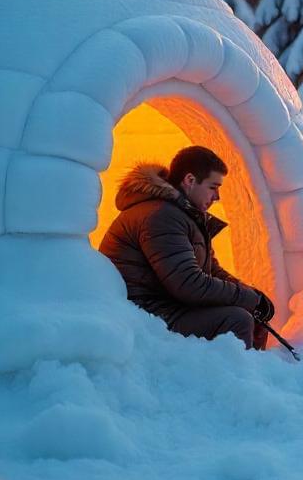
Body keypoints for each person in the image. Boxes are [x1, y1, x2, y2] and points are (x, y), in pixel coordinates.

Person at [99, 145, 276, 350]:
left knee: (252, 318)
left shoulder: (182, 215)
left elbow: (211, 270)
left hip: (169, 305)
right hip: (148, 316)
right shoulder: (161, 216)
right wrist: (250, 300)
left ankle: (256, 374)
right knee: (237, 320)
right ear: (190, 180)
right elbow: (189, 284)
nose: (217, 196)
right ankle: (235, 380)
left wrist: (252, 296)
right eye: (213, 187)